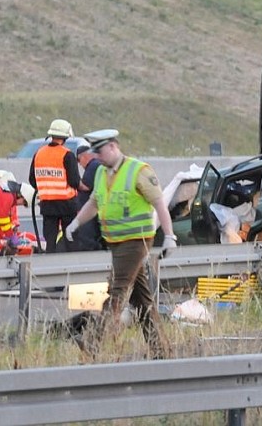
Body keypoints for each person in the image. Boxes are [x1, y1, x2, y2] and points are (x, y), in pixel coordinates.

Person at [64, 129, 178, 359]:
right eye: (94, 151)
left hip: (136, 241)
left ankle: (93, 341)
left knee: (116, 290)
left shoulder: (139, 171)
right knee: (141, 299)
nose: (97, 156)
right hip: (116, 243)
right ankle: (161, 350)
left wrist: (169, 235)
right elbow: (95, 202)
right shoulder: (101, 173)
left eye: (101, 150)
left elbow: (159, 203)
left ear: (114, 147)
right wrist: (75, 223)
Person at [28, 118, 80, 253]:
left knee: (49, 239)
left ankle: (50, 266)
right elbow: (74, 181)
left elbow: (32, 180)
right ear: (65, 137)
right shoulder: (67, 154)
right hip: (67, 205)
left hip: (47, 205)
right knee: (70, 238)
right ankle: (70, 265)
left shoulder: (39, 153)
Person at [70, 144, 104, 251]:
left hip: (90, 211)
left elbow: (85, 186)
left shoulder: (93, 165)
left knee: (87, 237)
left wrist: (73, 178)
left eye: (79, 160)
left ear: (84, 156)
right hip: (93, 209)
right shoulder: (96, 166)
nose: (80, 164)